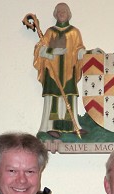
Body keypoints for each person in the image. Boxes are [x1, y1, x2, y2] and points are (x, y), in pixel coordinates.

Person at [33, 2, 86, 138]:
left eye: (64, 11)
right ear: (55, 14)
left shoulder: (74, 32)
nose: (62, 13)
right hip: (53, 72)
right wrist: (53, 51)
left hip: (69, 71)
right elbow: (40, 49)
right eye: (59, 11)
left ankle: (73, 126)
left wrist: (85, 53)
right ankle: (51, 126)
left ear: (69, 14)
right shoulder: (50, 32)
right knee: (54, 98)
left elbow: (79, 49)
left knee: (69, 96)